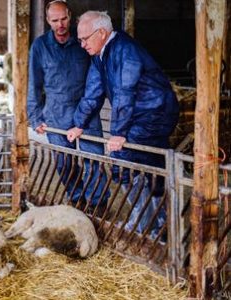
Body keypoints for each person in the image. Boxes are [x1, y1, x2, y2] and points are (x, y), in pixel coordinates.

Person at [67, 11, 179, 238]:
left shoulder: (125, 51)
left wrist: (117, 134)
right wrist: (79, 123)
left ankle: (146, 226)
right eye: (79, 40)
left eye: (84, 39)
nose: (82, 44)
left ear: (101, 33)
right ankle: (159, 226)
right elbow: (93, 93)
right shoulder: (100, 55)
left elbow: (123, 93)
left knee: (124, 160)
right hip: (139, 115)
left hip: (154, 113)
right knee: (152, 168)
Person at [27, 0, 108, 209]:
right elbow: (33, 84)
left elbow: (98, 73)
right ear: (47, 21)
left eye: (63, 19)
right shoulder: (40, 46)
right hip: (56, 113)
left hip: (86, 111)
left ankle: (98, 204)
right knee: (65, 163)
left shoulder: (83, 42)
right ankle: (77, 199)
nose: (60, 24)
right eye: (54, 20)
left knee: (94, 159)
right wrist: (35, 116)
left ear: (70, 16)